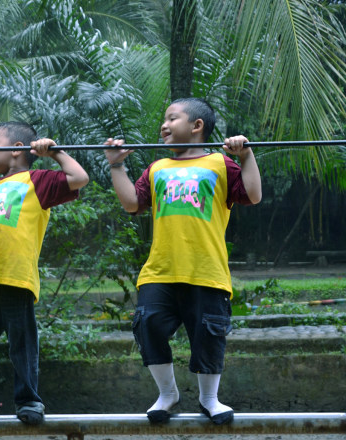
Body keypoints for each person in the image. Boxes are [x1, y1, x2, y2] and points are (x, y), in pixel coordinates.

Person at [104, 98, 262, 425]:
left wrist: (245, 155)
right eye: (164, 119)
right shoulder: (157, 168)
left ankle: (209, 399)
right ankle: (167, 394)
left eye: (171, 118)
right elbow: (132, 203)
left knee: (209, 335)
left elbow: (253, 194)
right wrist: (116, 165)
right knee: (147, 323)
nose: (163, 125)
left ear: (196, 126)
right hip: (159, 271)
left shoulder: (220, 163)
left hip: (207, 271)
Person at [0, 121, 89, 426]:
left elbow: (79, 177)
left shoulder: (37, 181)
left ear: (17, 150)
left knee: (22, 344)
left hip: (16, 278)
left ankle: (29, 400)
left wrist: (56, 153)